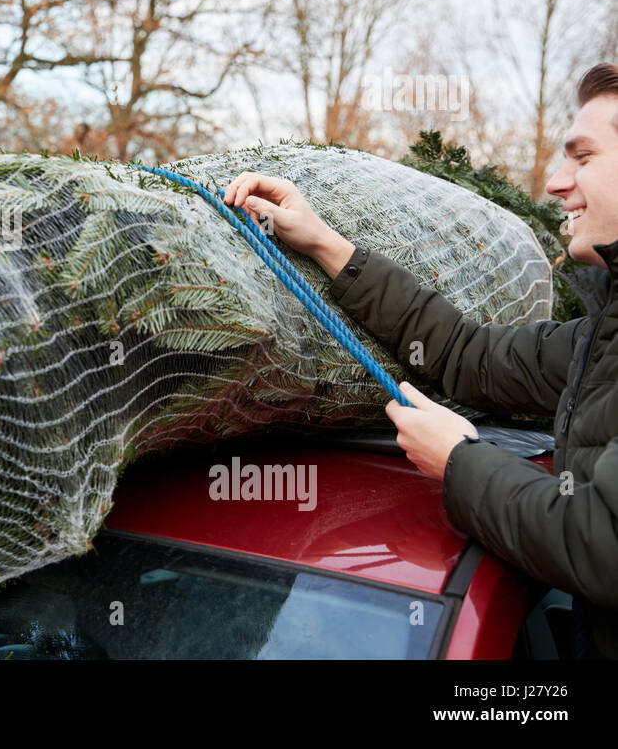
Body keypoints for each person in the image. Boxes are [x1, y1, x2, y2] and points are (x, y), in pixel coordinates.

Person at [221, 62, 618, 660]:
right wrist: (328, 246)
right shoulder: (601, 338)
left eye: (582, 157)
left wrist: (458, 459)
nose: (557, 182)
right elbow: (469, 355)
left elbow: (601, 541)